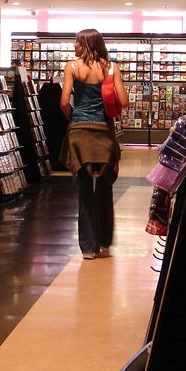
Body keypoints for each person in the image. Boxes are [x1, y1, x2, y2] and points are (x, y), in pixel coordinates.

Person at [59, 28, 128, 259]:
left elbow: (64, 101)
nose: (74, 46)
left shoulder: (72, 66)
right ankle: (105, 241)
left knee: (84, 188)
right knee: (106, 186)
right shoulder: (111, 67)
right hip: (104, 130)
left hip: (80, 131)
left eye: (77, 42)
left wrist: (74, 117)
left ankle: (88, 248)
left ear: (86, 44)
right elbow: (124, 102)